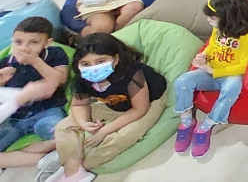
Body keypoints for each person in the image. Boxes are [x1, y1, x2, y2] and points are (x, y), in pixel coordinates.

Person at [45, 33, 167, 182]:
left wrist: (104, 131)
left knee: (122, 136)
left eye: (100, 61)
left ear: (115, 60)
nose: (93, 68)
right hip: (113, 105)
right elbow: (78, 105)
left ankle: (84, 164)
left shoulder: (132, 73)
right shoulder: (82, 78)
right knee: (64, 126)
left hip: (148, 103)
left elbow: (140, 109)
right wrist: (84, 123)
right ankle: (73, 169)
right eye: (86, 64)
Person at [174, 0, 248, 157]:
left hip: (228, 74)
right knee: (182, 81)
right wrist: (204, 55)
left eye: (212, 17)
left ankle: (206, 126)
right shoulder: (218, 29)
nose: (208, 21)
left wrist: (213, 71)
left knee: (233, 86)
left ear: (228, 18)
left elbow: (243, 66)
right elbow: (212, 45)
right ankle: (186, 122)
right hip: (210, 70)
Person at [0, 18, 68, 169]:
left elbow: (60, 79)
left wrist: (34, 61)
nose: (25, 48)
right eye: (19, 42)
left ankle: (51, 151)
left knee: (61, 133)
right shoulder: (6, 62)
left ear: (47, 43)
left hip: (46, 111)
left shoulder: (54, 54)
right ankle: (44, 159)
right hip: (14, 119)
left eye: (33, 42)